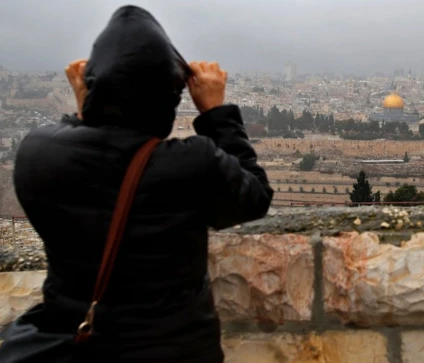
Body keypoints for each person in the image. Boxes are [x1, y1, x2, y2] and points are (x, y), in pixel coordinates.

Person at [0, 5, 273, 363]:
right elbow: (254, 197)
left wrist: (88, 107)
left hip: (74, 346)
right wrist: (215, 114)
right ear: (169, 98)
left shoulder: (37, 154)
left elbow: (83, 150)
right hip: (175, 350)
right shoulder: (191, 164)